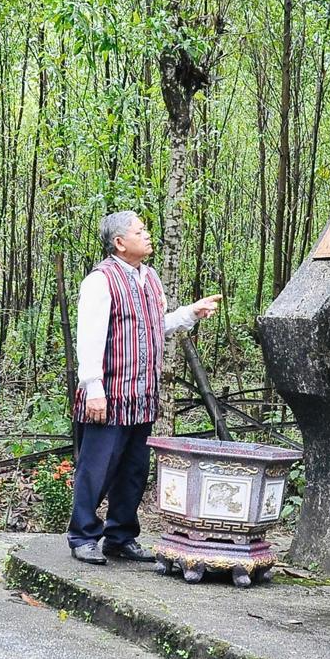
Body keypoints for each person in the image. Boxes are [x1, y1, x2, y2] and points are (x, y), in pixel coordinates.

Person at [69, 211, 220, 564]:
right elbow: (88, 336)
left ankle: (120, 536)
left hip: (142, 396)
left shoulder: (150, 278)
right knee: (97, 468)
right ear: (120, 243)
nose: (148, 234)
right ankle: (83, 535)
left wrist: (189, 314)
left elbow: (153, 325)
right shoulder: (100, 281)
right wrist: (93, 387)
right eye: (140, 231)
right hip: (109, 394)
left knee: (134, 469)